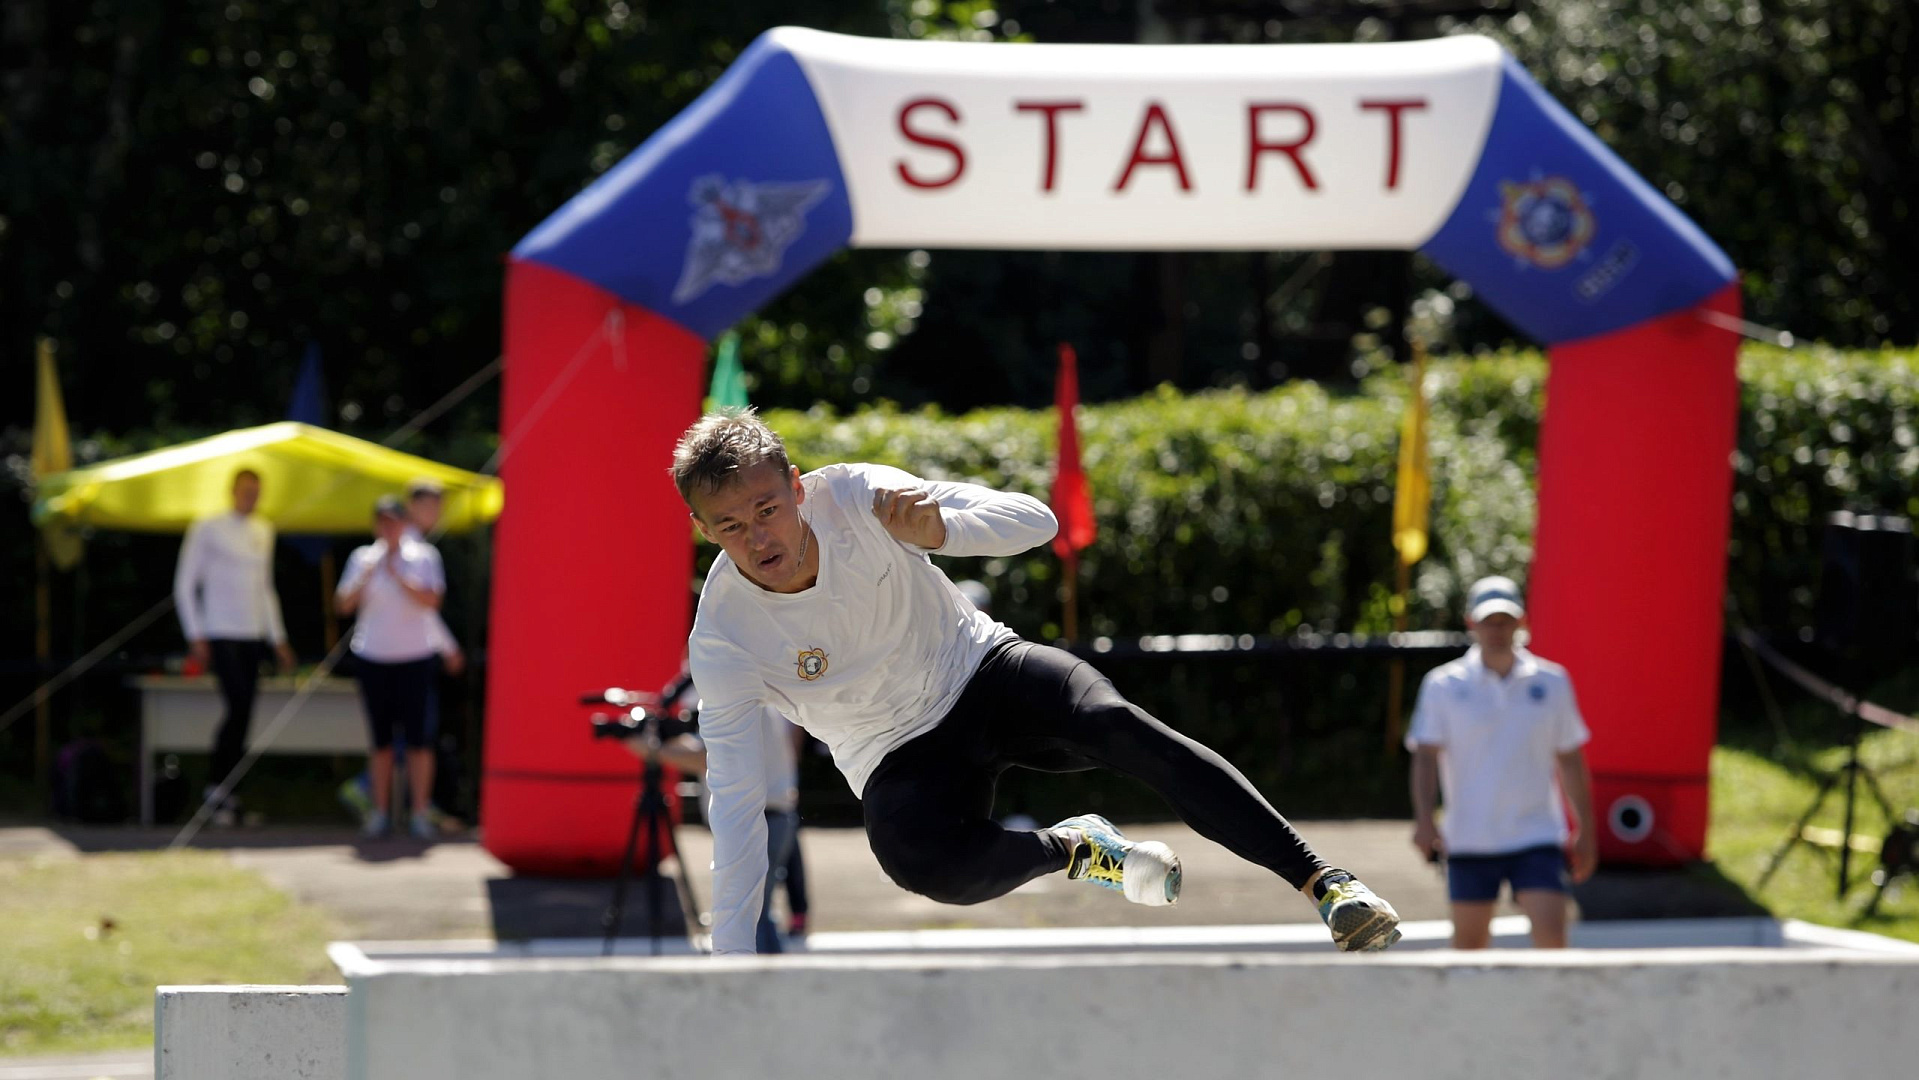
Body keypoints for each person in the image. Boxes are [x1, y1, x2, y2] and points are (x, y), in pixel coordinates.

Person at [674, 409, 1402, 956]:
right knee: (922, 866)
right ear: (705, 532)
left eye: (767, 509)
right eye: (730, 526)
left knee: (1119, 727)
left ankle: (1325, 883)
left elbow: (1036, 519)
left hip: (985, 672)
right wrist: (730, 970)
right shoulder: (724, 638)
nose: (758, 538)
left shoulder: (858, 496)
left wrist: (942, 533)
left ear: (797, 488)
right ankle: (1074, 848)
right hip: (894, 753)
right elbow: (735, 804)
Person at [1406, 575, 1598, 949]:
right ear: (1471, 623)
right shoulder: (1443, 684)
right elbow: (1426, 757)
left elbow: (1570, 759)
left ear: (1521, 621)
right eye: (1488, 621)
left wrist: (1586, 830)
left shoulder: (1552, 681)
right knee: (1469, 952)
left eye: (1504, 620)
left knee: (1553, 940)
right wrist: (1424, 819)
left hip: (1536, 834)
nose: (1496, 630)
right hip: (1469, 837)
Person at [173, 467, 296, 825]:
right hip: (220, 632)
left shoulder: (264, 529)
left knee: (246, 712)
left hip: (252, 634)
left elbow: (266, 588)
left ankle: (226, 794)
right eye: (245, 490)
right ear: (232, 491)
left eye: (256, 492)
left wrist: (278, 637)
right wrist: (195, 633)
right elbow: (184, 584)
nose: (250, 497)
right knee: (238, 706)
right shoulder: (207, 527)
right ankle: (215, 789)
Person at [336, 496, 446, 840]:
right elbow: (343, 605)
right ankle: (380, 813)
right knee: (380, 742)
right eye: (382, 522)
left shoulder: (424, 556)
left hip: (416, 659)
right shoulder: (362, 558)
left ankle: (420, 813)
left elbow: (433, 601)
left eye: (393, 521)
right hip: (372, 659)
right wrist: (366, 576)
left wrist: (399, 577)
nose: (388, 528)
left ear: (403, 524)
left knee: (419, 742)